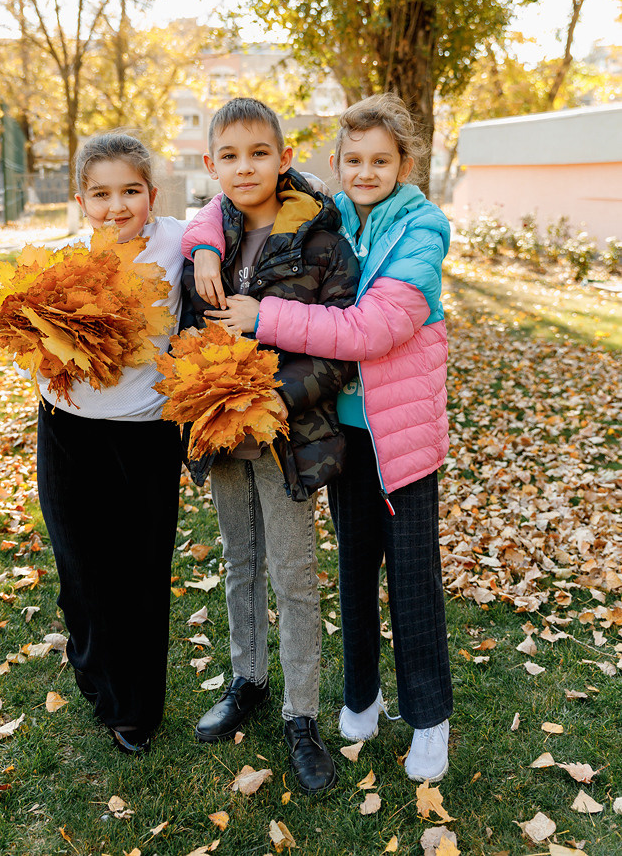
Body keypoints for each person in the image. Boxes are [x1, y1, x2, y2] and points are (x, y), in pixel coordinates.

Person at [184, 93, 453, 783]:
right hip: (341, 432)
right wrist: (208, 243)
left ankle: (429, 720)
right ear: (334, 163)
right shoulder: (331, 212)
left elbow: (369, 332)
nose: (366, 171)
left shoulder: (420, 230)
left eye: (381, 160)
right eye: (354, 159)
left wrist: (260, 317)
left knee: (412, 581)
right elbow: (222, 204)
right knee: (354, 569)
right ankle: (360, 696)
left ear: (405, 164)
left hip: (399, 435)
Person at [179, 97, 359, 794]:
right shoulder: (207, 240)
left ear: (284, 159)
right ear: (211, 166)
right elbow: (186, 335)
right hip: (224, 436)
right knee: (240, 560)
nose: (244, 166)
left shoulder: (320, 240)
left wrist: (278, 396)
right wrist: (203, 383)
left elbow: (340, 348)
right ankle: (247, 678)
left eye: (259, 153)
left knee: (292, 572)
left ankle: (301, 715)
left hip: (288, 436)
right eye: (229, 155)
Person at [35, 130, 185, 755]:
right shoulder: (59, 260)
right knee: (82, 569)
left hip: (148, 437)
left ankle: (136, 709)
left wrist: (205, 256)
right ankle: (95, 675)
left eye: (130, 192)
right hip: (69, 432)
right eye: (101, 194)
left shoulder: (181, 241)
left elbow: (266, 194)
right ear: (80, 199)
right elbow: (33, 349)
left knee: (141, 572)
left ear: (152, 195)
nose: (116, 206)